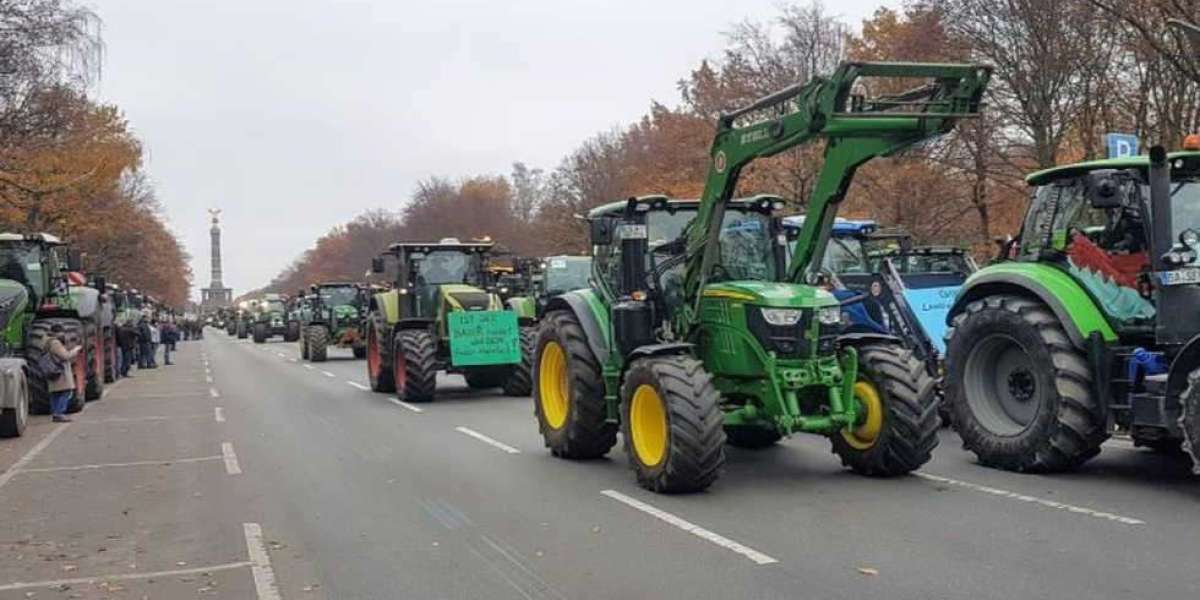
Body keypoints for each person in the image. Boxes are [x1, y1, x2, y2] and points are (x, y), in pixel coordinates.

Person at [44, 324, 81, 423]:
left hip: (51, 369)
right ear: (58, 332)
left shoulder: (46, 341)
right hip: (59, 371)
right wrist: (75, 350)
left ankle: (55, 413)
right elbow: (65, 356)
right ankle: (59, 413)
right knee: (66, 391)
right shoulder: (55, 343)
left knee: (55, 393)